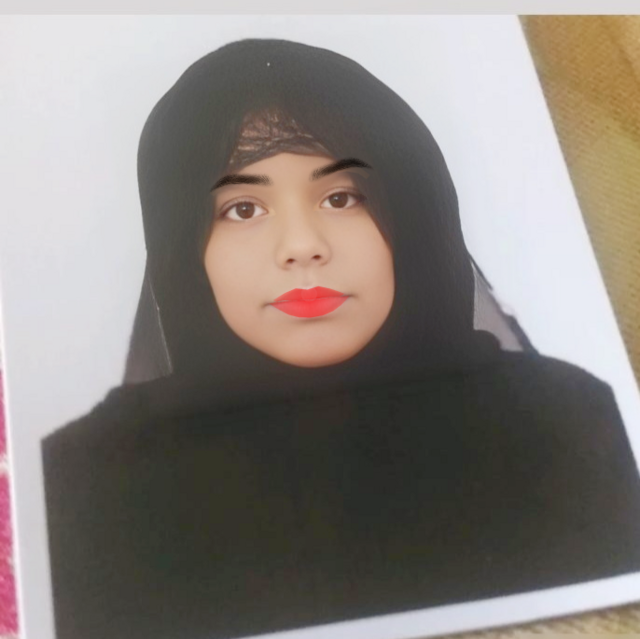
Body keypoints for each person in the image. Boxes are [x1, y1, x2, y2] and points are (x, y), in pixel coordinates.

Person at [42, 39, 640, 639]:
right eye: (243, 209)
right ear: (181, 247)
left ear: (413, 213)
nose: (302, 245)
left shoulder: (563, 420)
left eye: (341, 197)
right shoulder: (90, 479)